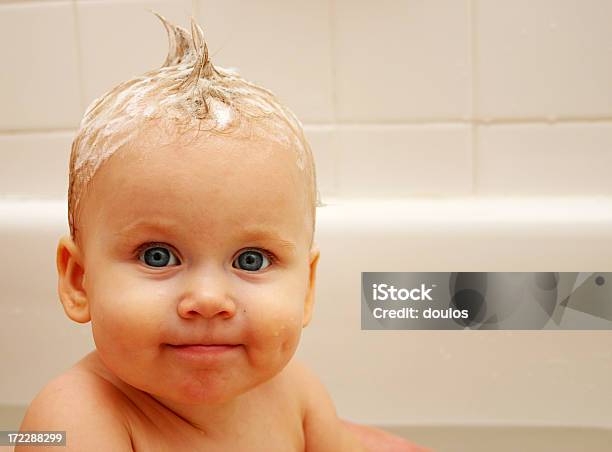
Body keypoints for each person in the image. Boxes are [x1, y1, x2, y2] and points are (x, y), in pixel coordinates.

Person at [17, 13, 430, 452]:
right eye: (158, 255)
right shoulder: (72, 421)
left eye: (250, 259)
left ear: (307, 288)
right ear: (79, 281)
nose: (209, 300)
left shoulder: (295, 395)